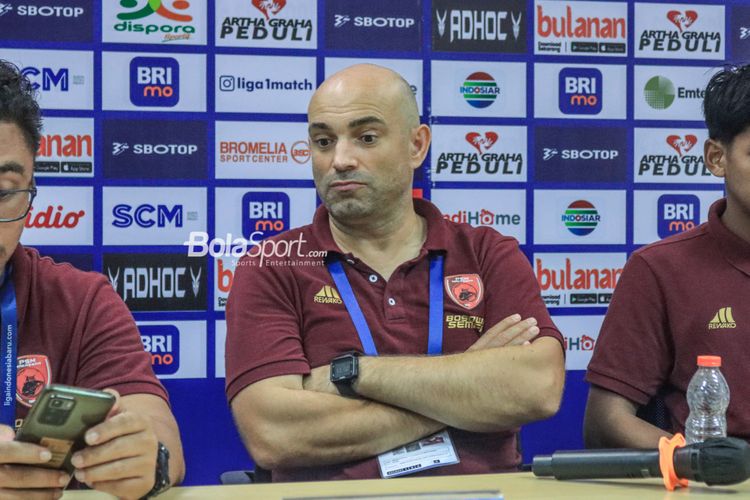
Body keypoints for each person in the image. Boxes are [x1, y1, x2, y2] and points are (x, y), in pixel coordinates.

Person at [225, 64, 565, 482]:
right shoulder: (272, 264)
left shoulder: (486, 252)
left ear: (416, 145)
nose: (340, 160)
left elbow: (537, 387)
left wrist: (351, 374)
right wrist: (466, 390)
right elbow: (274, 433)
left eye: (366, 138)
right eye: (323, 141)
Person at [0, 60, 184, 498]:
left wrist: (146, 460)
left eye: (3, 192)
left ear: (31, 189)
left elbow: (162, 441)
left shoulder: (81, 300)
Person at [584, 64, 750, 448]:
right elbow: (605, 421)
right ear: (717, 158)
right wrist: (696, 461)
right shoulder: (659, 270)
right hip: (717, 473)